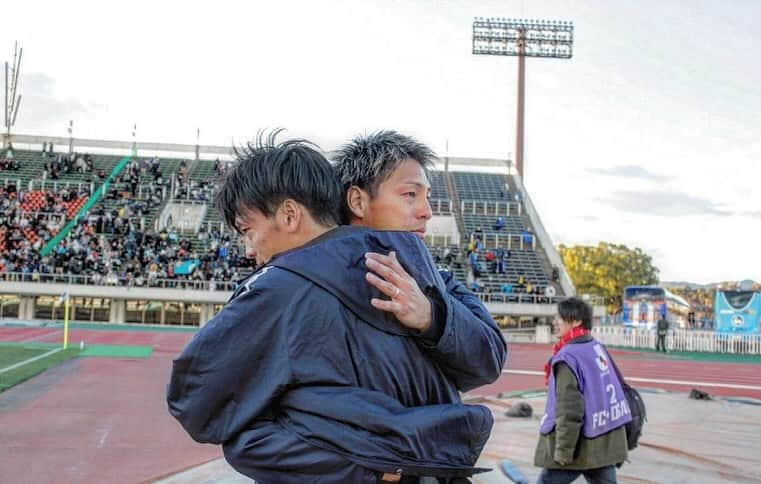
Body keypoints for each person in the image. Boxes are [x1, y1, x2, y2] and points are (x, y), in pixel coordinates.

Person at [168, 133, 494, 484]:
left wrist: (365, 464)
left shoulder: (280, 289)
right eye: (410, 194)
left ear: (290, 215)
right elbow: (484, 366)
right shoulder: (432, 277)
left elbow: (193, 401)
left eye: (248, 230)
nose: (249, 248)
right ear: (354, 200)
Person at [332, 130, 507, 393]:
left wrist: (432, 317)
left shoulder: (440, 281)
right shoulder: (315, 281)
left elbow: (489, 361)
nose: (427, 212)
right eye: (410, 194)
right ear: (358, 201)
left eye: (426, 197)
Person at [535, 297, 630, 484]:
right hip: (605, 441)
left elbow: (568, 409)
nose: (555, 321)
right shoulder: (595, 347)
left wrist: (563, 452)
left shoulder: (568, 357)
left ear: (576, 321)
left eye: (560, 317)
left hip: (581, 447)